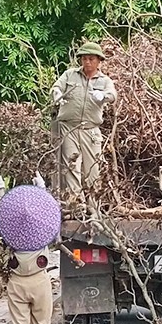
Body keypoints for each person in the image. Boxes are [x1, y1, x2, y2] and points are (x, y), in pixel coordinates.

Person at [0, 183, 64, 324]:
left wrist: (0, 189)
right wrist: (41, 187)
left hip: (17, 283)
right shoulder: (43, 234)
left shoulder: (10, 236)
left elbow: (2, 214)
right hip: (40, 282)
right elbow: (50, 212)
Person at [50, 41, 117, 203]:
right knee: (71, 167)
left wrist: (103, 96)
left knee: (93, 170)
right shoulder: (70, 75)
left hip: (90, 130)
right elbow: (56, 87)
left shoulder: (104, 80)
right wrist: (57, 94)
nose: (87, 62)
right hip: (69, 128)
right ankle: (76, 205)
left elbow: (113, 95)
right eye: (84, 59)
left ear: (98, 61)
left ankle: (94, 205)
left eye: (91, 59)